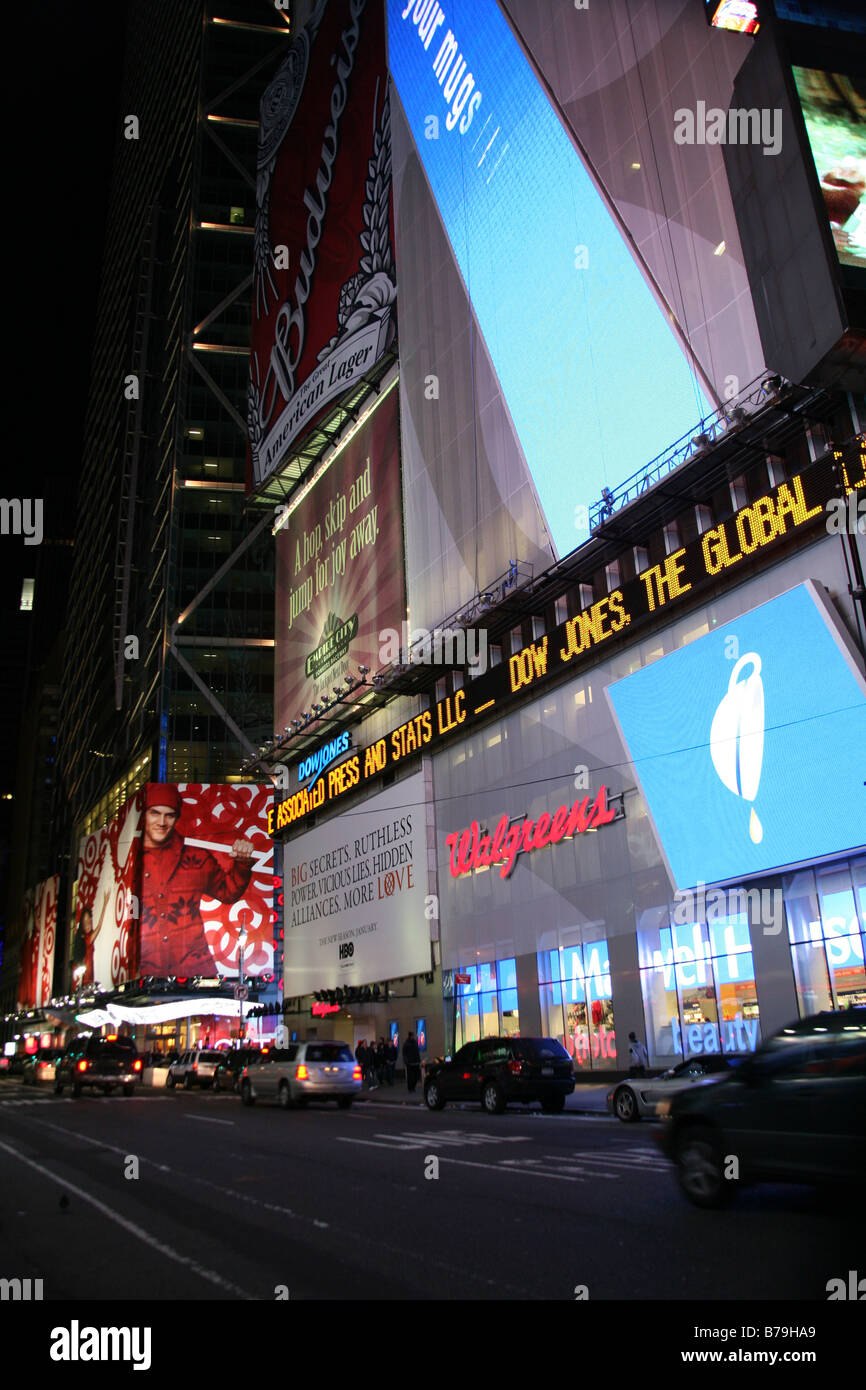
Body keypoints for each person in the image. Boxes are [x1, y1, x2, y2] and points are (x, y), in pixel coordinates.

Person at [138, 783, 254, 977]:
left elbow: (228, 892)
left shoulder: (196, 858)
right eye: (155, 813)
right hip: (145, 969)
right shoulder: (129, 861)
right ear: (144, 815)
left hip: (195, 968)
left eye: (169, 815)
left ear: (176, 818)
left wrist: (242, 864)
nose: (161, 822)